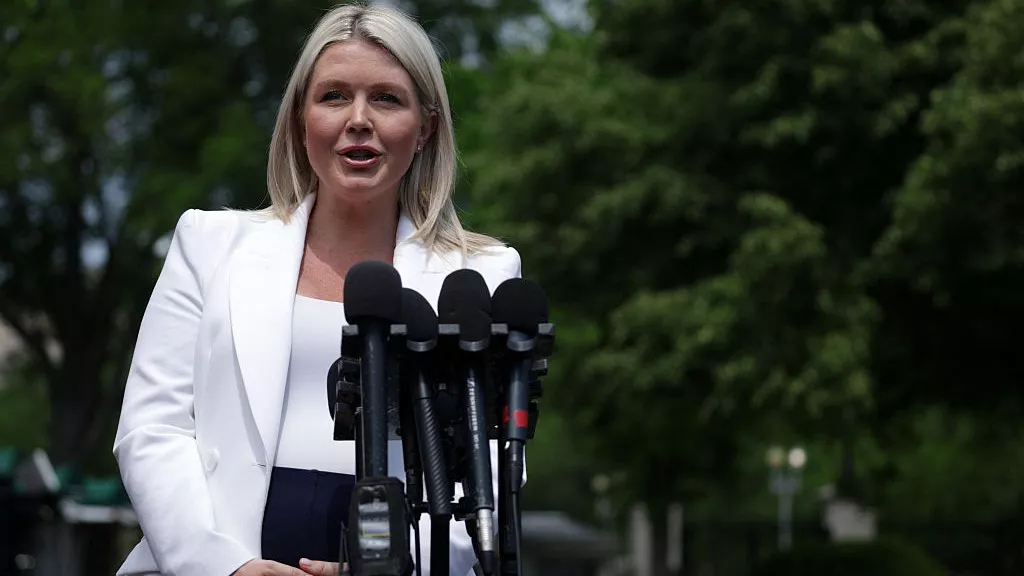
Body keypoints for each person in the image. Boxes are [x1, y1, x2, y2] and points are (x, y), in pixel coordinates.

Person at [111, 4, 522, 576]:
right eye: (333, 96)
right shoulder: (209, 244)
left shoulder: (481, 274)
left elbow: (491, 470)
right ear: (300, 121)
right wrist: (224, 566)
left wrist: (398, 567)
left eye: (387, 98)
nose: (359, 119)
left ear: (426, 128)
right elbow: (152, 430)